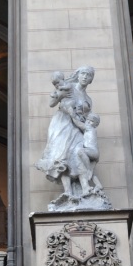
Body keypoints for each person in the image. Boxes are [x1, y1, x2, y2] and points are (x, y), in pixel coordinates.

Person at [35, 66, 95, 202]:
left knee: (78, 153)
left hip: (77, 127)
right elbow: (51, 103)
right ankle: (68, 191)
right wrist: (60, 96)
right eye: (83, 74)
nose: (85, 77)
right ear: (78, 75)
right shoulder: (69, 87)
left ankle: (85, 187)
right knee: (63, 157)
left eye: (89, 75)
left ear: (91, 80)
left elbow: (87, 119)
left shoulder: (88, 100)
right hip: (62, 124)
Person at [71, 111, 102, 195]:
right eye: (87, 120)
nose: (88, 121)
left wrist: (72, 115)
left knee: (81, 152)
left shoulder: (90, 128)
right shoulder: (89, 129)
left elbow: (78, 123)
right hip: (92, 153)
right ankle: (98, 185)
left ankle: (88, 169)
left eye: (91, 121)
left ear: (95, 124)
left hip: (92, 152)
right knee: (92, 173)